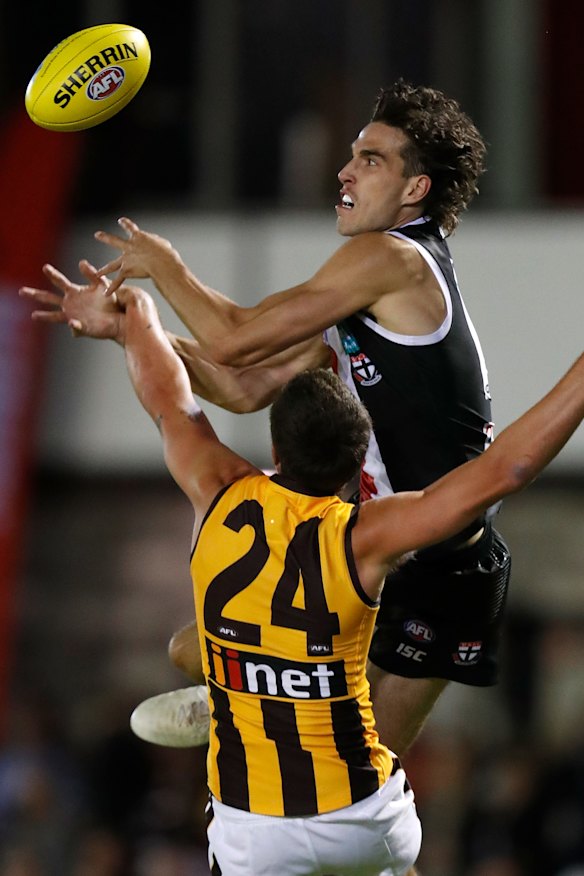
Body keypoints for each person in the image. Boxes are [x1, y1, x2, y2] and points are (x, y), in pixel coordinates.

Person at [18, 268, 584, 876]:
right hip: (363, 818)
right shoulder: (365, 535)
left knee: (192, 647)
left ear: (277, 449)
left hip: (254, 833)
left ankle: (237, 697)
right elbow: (506, 470)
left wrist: (134, 320)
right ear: (351, 467)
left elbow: (168, 395)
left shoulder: (216, 487)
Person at [81, 79, 510, 756]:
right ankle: (258, 708)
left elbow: (232, 339)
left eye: (371, 159)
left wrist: (163, 268)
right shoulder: (363, 288)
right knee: (194, 653)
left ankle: (256, 711)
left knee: (357, 796)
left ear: (414, 190)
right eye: (352, 154)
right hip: (374, 552)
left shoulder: (392, 259)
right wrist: (130, 330)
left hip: (437, 571)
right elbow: (242, 384)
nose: (345, 170)